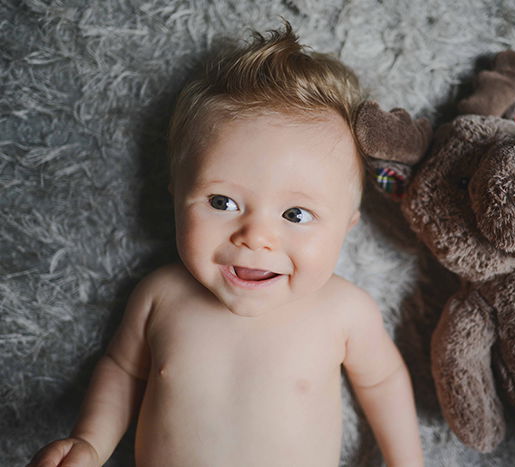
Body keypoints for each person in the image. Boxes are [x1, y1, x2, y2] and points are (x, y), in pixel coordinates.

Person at [29, 23, 424, 467]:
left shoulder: (344, 311)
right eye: (223, 201)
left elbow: (384, 381)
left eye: (296, 214)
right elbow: (122, 371)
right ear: (175, 196)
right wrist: (89, 442)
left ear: (347, 226)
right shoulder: (161, 296)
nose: (256, 237)